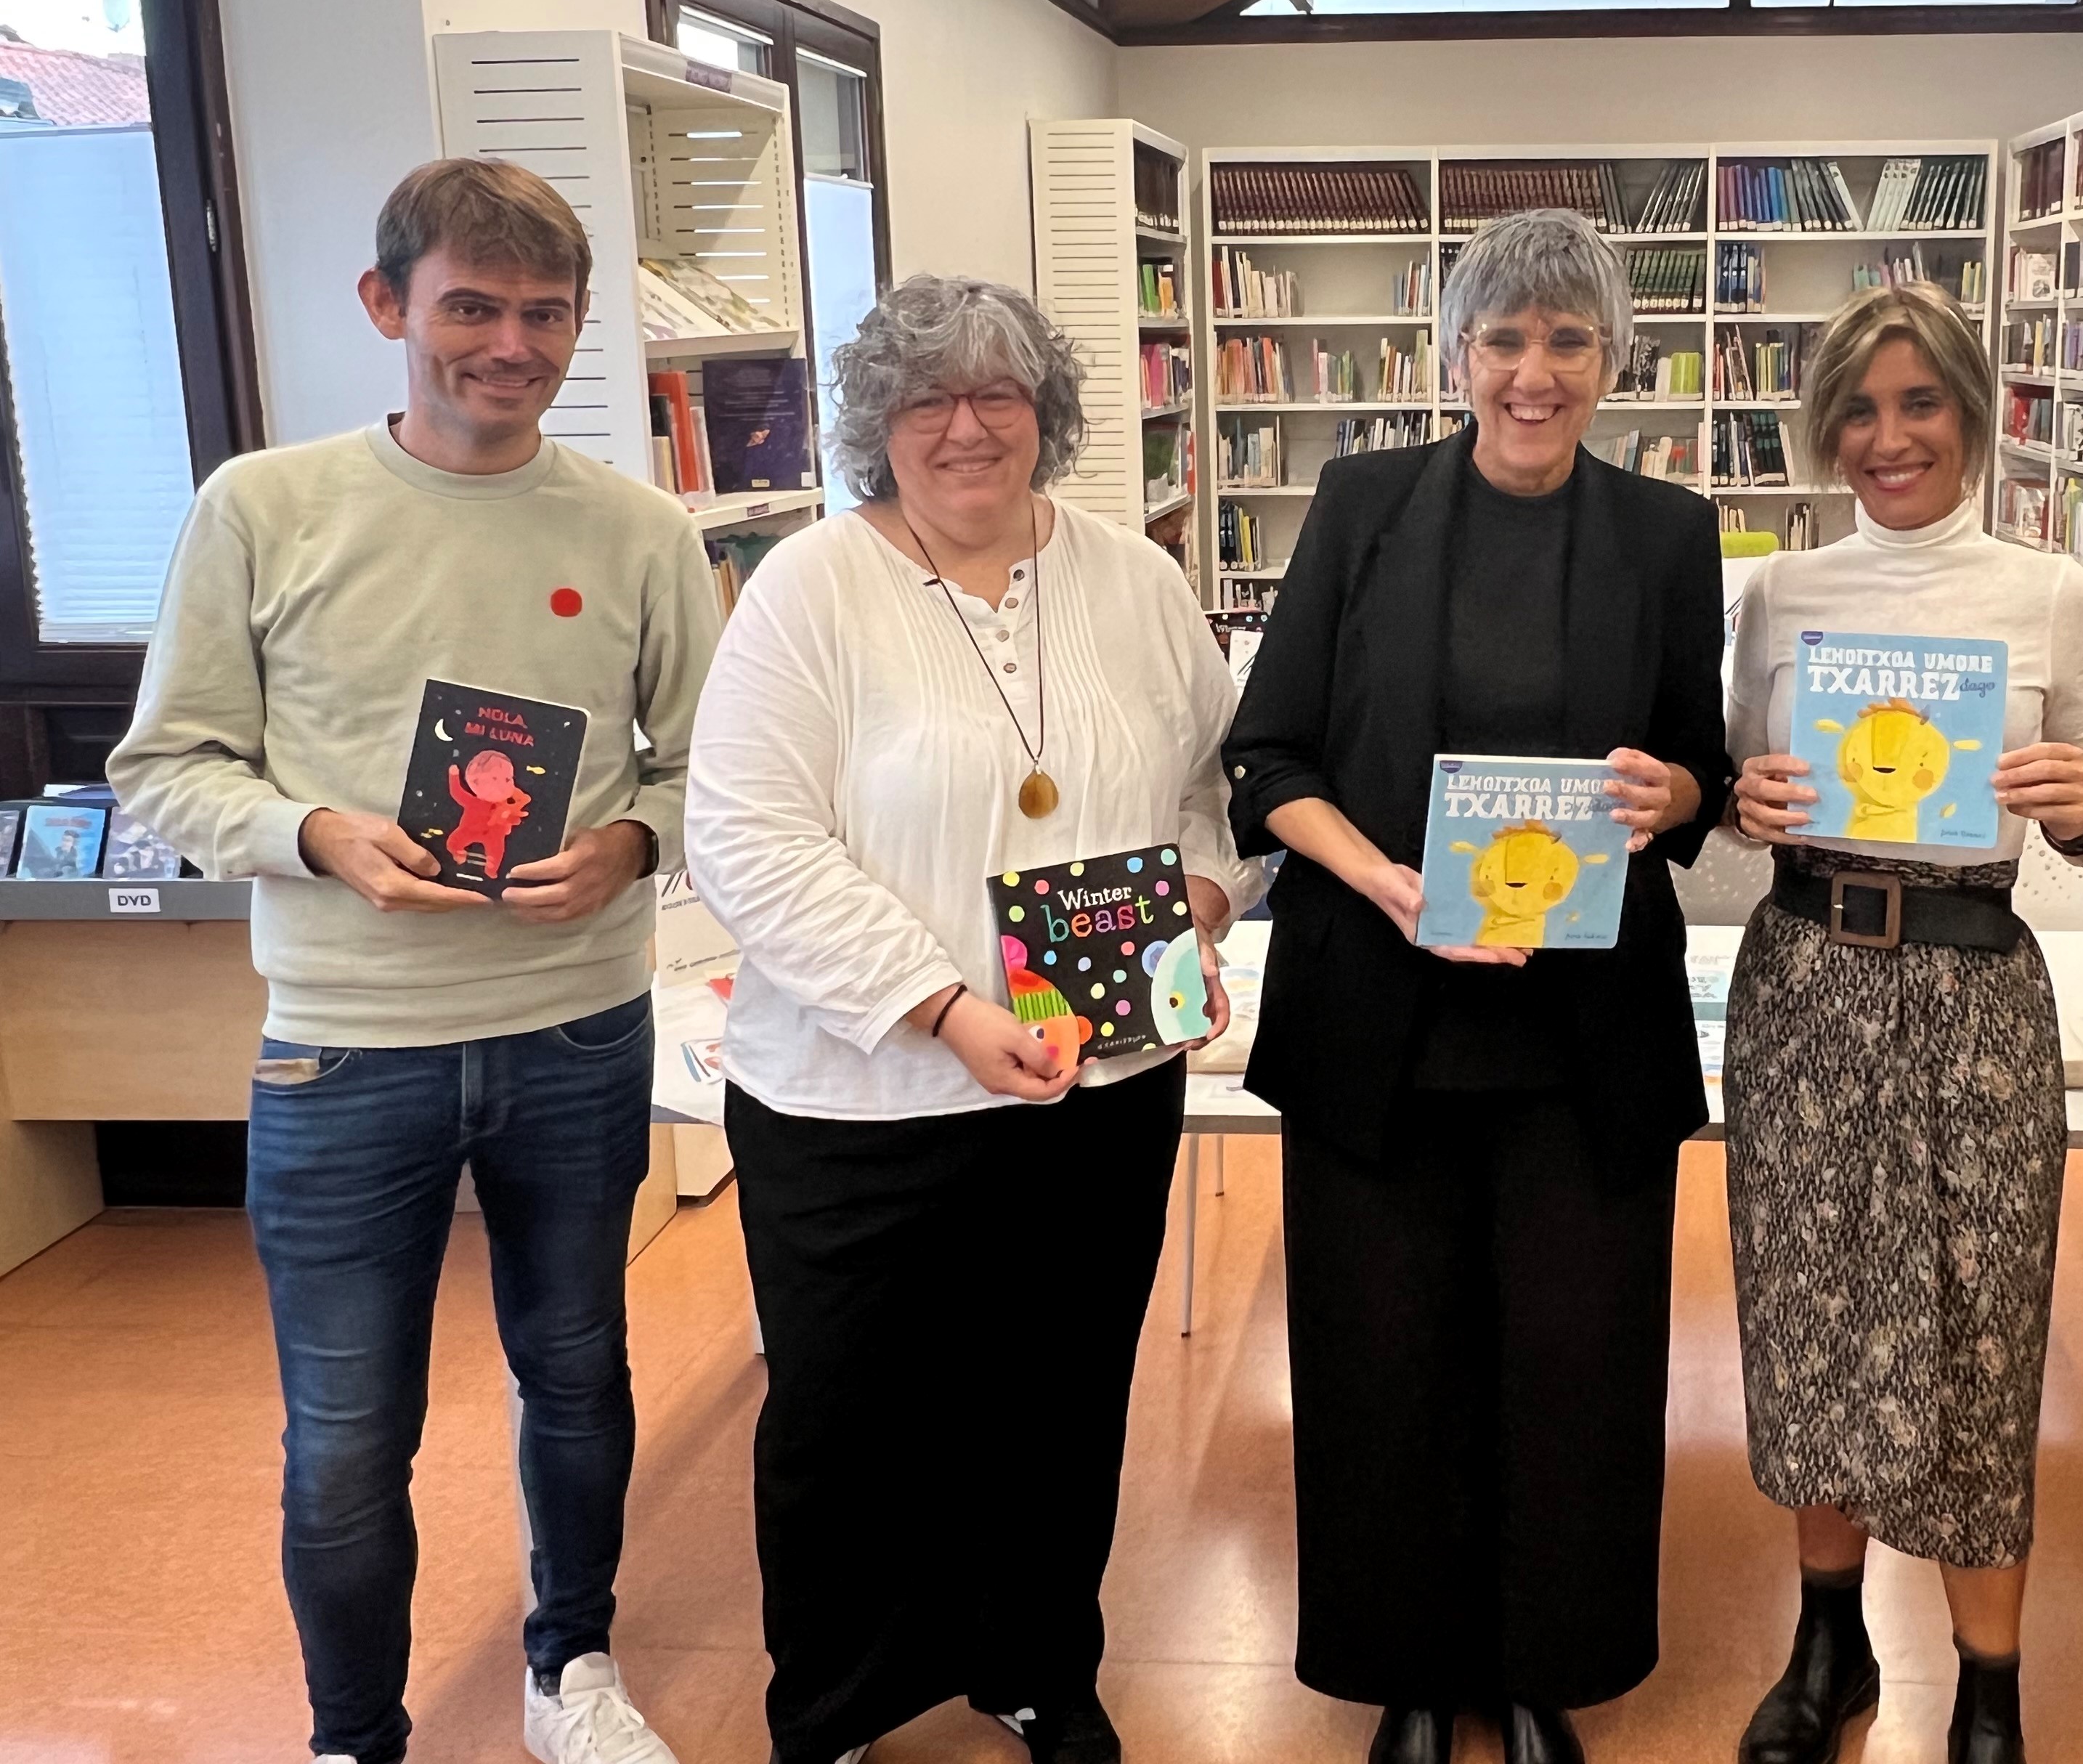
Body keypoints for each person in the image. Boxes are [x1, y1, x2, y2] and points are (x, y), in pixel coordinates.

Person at [106, 158, 720, 1764]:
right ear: (389, 307)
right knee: (345, 1432)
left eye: (542, 315)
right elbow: (166, 768)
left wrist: (635, 845)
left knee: (579, 1372)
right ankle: (350, 1734)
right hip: (341, 1043)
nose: (506, 346)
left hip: (578, 1029)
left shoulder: (642, 529)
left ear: (579, 329)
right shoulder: (262, 507)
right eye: (469, 306)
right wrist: (318, 834)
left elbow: (708, 765)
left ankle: (568, 1668)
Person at [684, 275, 1265, 1764]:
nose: (964, 426)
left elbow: (1206, 782)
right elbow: (749, 840)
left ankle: (1036, 1669)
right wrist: (940, 1008)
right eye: (925, 398)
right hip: (860, 1102)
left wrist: (1199, 899)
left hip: (1097, 1090)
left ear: (1047, 415)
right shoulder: (810, 590)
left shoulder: (1131, 578)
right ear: (877, 424)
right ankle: (832, 1706)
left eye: (998, 394)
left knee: (1060, 1406)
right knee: (848, 1428)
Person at [1222, 208, 1732, 1764]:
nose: (1533, 372)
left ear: (1611, 361)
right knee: (1382, 1355)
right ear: (1456, 356)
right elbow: (1271, 757)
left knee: (1577, 1362)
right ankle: (1406, 1669)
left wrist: (1673, 801)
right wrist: (1382, 881)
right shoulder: (1364, 503)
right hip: (1384, 1011)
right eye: (1504, 340)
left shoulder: (1666, 533)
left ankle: (1540, 1667)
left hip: (1581, 1034)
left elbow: (1696, 768)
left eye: (1568, 341)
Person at [1720, 281, 2083, 1764]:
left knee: (1980, 1331)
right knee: (1809, 1318)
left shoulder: (2050, 590)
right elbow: (1725, 794)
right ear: (1825, 431)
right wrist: (1739, 798)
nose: (1888, 439)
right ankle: (1829, 1646)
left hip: (1976, 993)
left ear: (1972, 412)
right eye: (1859, 411)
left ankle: (1990, 1687)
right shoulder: (1777, 590)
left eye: (1919, 404)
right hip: (1808, 986)